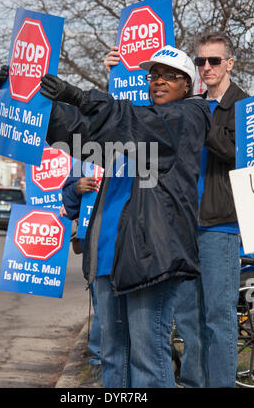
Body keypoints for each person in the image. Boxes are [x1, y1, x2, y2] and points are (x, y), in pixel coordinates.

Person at [38, 45, 211, 388]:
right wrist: (31, 102)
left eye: (170, 76)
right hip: (108, 259)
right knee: (112, 357)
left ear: (188, 86)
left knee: (148, 358)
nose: (159, 81)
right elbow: (81, 134)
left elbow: (133, 120)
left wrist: (79, 95)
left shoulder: (189, 117)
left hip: (152, 258)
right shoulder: (136, 128)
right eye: (154, 75)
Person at [174, 32, 249, 388]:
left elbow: (237, 155)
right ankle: (192, 383)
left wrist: (202, 120)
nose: (206, 67)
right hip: (186, 227)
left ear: (229, 64)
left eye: (214, 61)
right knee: (188, 317)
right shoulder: (194, 104)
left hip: (222, 227)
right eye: (201, 60)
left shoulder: (244, 108)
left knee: (219, 317)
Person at [60, 166, 102, 386]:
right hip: (91, 239)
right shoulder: (85, 158)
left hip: (125, 235)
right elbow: (66, 202)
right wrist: (77, 188)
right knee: (101, 304)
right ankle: (99, 367)